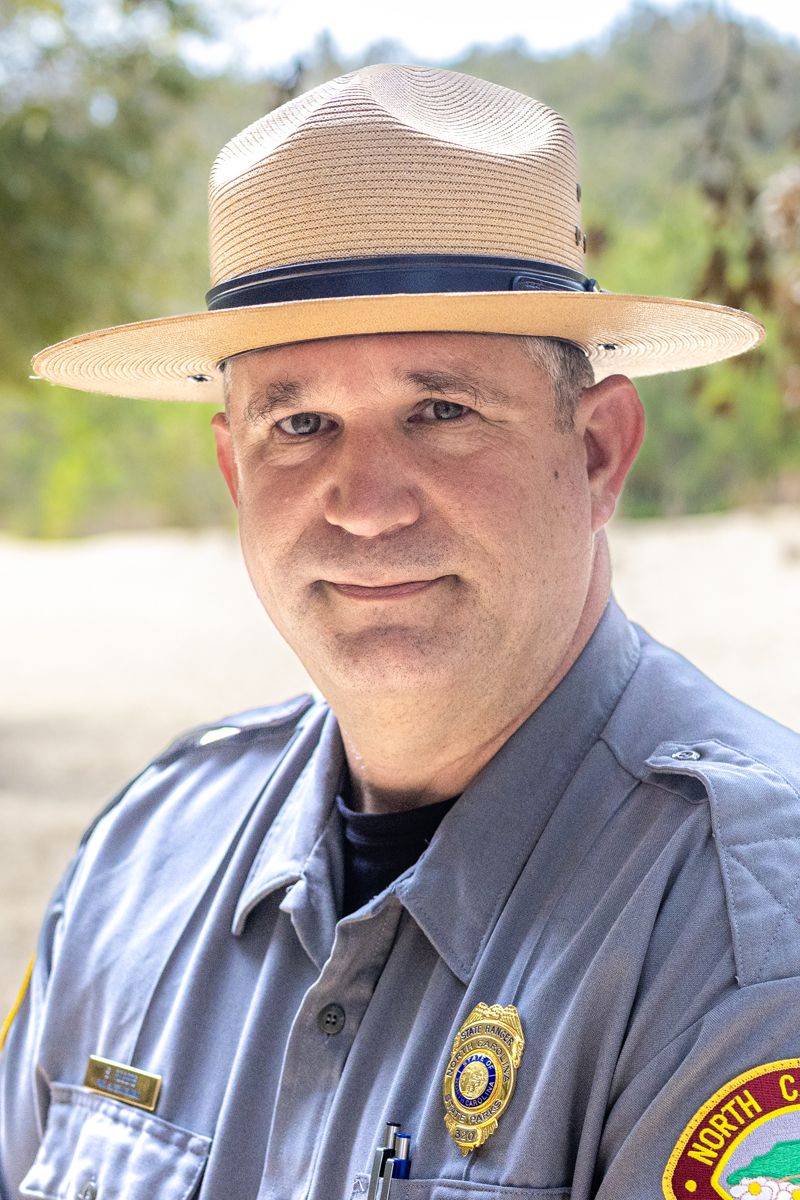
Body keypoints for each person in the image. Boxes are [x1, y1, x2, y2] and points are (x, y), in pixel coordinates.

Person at [0, 64, 795, 1200]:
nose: (364, 502)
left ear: (596, 453)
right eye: (300, 423)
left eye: (441, 412)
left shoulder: (740, 936)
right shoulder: (141, 859)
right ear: (236, 472)